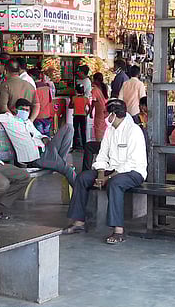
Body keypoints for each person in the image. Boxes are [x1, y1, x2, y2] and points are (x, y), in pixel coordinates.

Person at [63, 99, 146, 245]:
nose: (105, 116)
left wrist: (108, 178)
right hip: (110, 170)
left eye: (106, 113)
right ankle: (79, 222)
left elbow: (131, 163)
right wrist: (101, 174)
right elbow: (102, 155)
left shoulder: (133, 131)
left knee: (115, 184)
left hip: (133, 172)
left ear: (113, 114)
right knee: (82, 178)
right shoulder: (110, 130)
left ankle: (118, 230)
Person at [0, 98, 76, 185]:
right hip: (37, 157)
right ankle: (81, 192)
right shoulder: (9, 119)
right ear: (15, 109)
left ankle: (60, 160)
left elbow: (38, 134)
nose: (25, 112)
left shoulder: (28, 122)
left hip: (46, 149)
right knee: (68, 170)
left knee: (69, 127)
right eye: (23, 109)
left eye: (27, 110)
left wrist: (43, 137)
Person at [32, 71, 54, 135]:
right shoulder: (47, 87)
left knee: (39, 137)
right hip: (47, 114)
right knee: (47, 135)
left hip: (38, 115)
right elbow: (50, 100)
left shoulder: (34, 88)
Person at [90, 72, 110, 141]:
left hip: (99, 112)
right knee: (104, 127)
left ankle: (99, 145)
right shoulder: (105, 87)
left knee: (98, 129)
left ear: (95, 80)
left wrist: (90, 111)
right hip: (105, 110)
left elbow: (93, 101)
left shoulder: (95, 90)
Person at [71, 85, 89, 150]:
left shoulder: (74, 98)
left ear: (76, 91)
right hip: (83, 116)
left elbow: (70, 106)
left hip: (76, 116)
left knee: (75, 131)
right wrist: (87, 113)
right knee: (83, 131)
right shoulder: (85, 98)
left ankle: (74, 146)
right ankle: (84, 146)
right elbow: (89, 107)